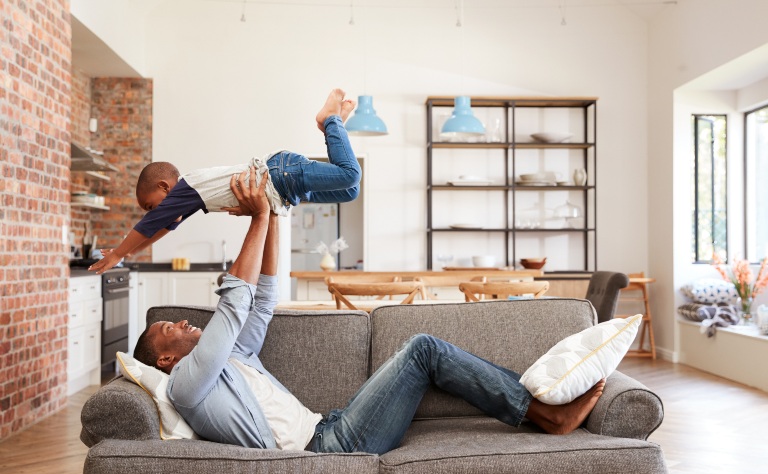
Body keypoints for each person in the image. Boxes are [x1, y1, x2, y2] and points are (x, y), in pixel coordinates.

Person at [131, 165, 606, 454]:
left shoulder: (233, 357)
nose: (185, 321)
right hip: (329, 449)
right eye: (171, 327)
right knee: (423, 350)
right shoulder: (189, 385)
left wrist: (274, 210)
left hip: (332, 424)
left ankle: (537, 409)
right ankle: (545, 416)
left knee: (422, 350)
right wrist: (256, 217)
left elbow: (263, 297)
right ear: (166, 359)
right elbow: (234, 307)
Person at [89, 88, 360, 275]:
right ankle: (334, 126)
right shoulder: (191, 201)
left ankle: (330, 120)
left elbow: (151, 223)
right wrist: (130, 252)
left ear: (164, 187)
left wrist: (116, 253)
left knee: (350, 174)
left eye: (151, 205)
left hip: (280, 174)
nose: (154, 212)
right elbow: (160, 229)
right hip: (288, 188)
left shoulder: (188, 189)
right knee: (350, 191)